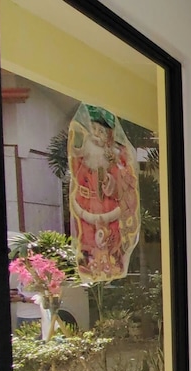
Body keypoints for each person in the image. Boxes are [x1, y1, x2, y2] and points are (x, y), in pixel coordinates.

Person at [69, 105, 140, 282]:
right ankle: (90, 262)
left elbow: (125, 181)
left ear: (109, 135)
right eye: (93, 129)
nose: (95, 134)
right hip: (85, 204)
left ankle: (112, 262)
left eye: (100, 131)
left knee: (111, 234)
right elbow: (76, 168)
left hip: (109, 207)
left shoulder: (116, 158)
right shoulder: (85, 155)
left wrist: (113, 185)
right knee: (87, 235)